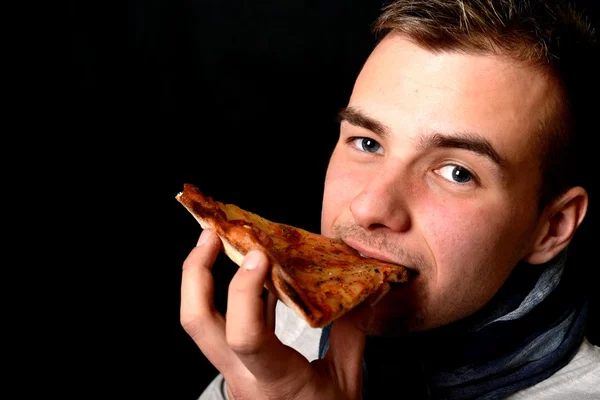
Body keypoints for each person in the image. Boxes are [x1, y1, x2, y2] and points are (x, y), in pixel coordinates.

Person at [180, 0, 599, 398]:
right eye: (367, 142)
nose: (369, 208)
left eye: (457, 172)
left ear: (552, 227)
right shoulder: (281, 329)